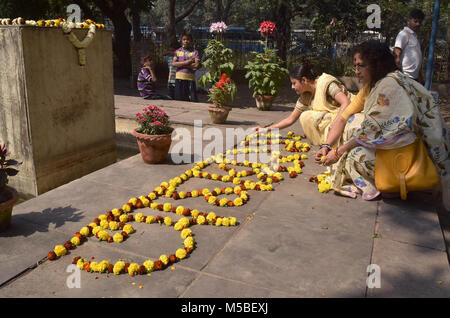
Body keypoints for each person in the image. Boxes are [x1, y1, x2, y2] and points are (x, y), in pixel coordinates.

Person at [322, 40, 449, 200]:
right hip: (398, 148)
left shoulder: (388, 86)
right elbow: (344, 117)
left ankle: (390, 184)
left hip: (405, 154)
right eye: (355, 66)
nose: (356, 71)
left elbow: (370, 130)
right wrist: (326, 145)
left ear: (376, 64)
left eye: (361, 65)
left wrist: (338, 151)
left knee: (352, 156)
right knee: (353, 122)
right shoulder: (373, 86)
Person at [253, 64, 352, 146]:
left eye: (294, 83)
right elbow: (290, 119)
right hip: (334, 120)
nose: (292, 87)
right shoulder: (305, 96)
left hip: (349, 114)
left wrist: (336, 124)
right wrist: (265, 130)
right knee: (306, 117)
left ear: (304, 80)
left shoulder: (326, 83)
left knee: (313, 116)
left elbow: (346, 102)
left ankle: (332, 141)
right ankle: (327, 141)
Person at [394, 8, 425, 82]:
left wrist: (420, 77)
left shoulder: (414, 37)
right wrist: (400, 75)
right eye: (415, 21)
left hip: (414, 77)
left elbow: (417, 59)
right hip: (405, 76)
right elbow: (396, 55)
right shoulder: (404, 34)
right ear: (408, 21)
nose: (418, 24)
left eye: (420, 22)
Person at [172, 31, 200, 102]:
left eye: (188, 39)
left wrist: (181, 64)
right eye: (184, 39)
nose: (186, 41)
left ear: (191, 41)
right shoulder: (177, 51)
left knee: (191, 100)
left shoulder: (195, 52)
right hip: (179, 78)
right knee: (179, 100)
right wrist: (187, 62)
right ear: (181, 41)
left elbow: (196, 65)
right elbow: (174, 64)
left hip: (190, 79)